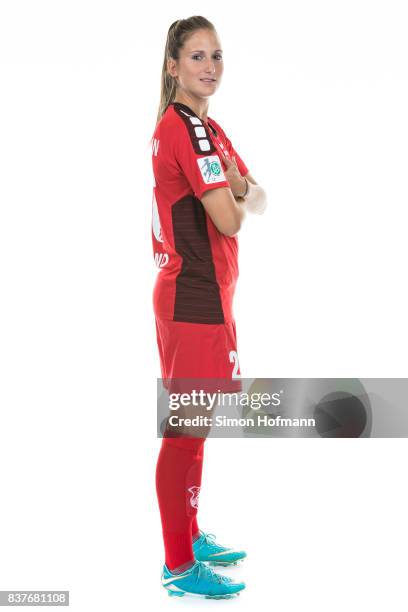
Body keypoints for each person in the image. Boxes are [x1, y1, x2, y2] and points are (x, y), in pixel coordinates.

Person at [150, 16, 267, 599]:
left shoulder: (208, 126)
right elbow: (233, 214)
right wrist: (238, 190)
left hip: (207, 296)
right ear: (173, 65)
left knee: (196, 426)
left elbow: (257, 195)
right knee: (184, 430)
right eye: (197, 57)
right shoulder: (190, 131)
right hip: (193, 296)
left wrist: (240, 189)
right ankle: (177, 565)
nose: (210, 67)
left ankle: (189, 535)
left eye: (216, 55)